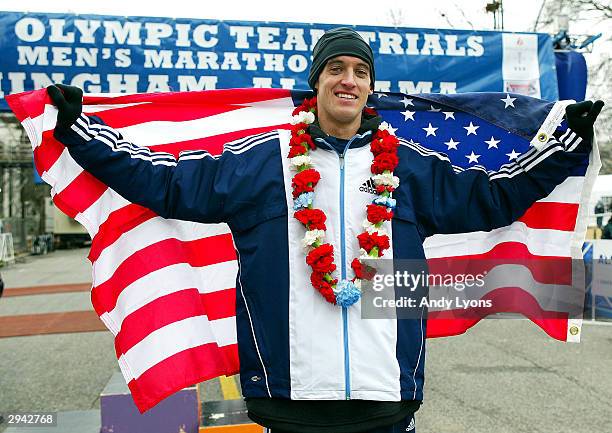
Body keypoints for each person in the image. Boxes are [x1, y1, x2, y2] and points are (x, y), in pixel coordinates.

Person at [47, 27, 603, 433]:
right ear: (317, 83)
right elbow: (165, 182)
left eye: (361, 72)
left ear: (370, 89)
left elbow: (493, 197)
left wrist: (563, 149)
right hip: (286, 401)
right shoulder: (260, 161)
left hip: (385, 399)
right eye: (337, 68)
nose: (350, 79)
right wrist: (81, 133)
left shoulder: (408, 165)